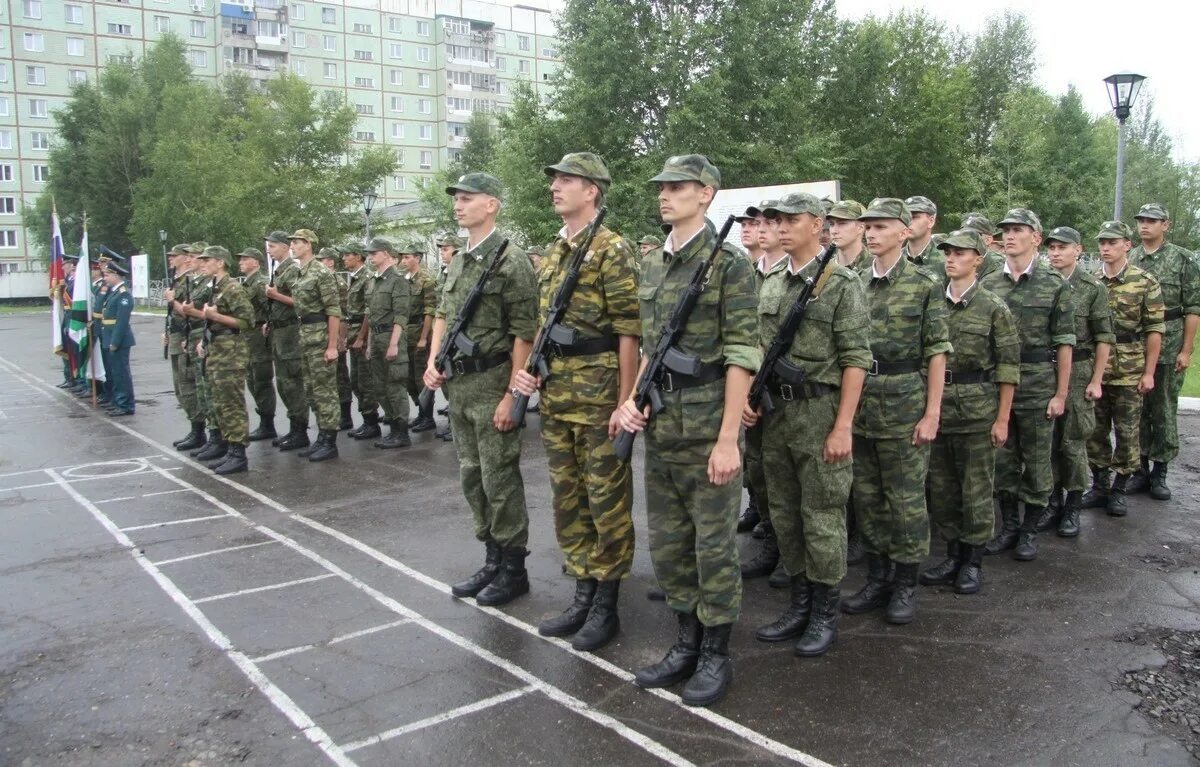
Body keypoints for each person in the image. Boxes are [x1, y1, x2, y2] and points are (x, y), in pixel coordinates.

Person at [617, 154, 761, 707]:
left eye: (677, 187)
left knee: (714, 547)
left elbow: (742, 355)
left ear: (706, 194)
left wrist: (729, 438)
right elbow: (652, 347)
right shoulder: (653, 264)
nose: (665, 195)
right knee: (670, 546)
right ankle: (685, 641)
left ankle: (715, 653)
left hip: (707, 430)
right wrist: (633, 401)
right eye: (662, 187)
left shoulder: (730, 264)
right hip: (662, 427)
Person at [510, 153, 640, 650]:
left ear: (592, 190)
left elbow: (629, 330)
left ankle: (606, 602)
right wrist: (530, 372)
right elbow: (545, 322)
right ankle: (583, 590)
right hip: (558, 394)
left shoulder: (611, 248)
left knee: (606, 500)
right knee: (569, 498)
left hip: (600, 392)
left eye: (566, 181)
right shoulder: (558, 250)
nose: (555, 188)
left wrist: (625, 399)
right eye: (555, 180)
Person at [746, 192, 869, 655]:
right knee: (784, 512)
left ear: (817, 225)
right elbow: (757, 347)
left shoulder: (842, 283)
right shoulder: (773, 279)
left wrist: (843, 426)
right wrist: (750, 398)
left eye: (790, 219)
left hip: (820, 412)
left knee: (822, 516)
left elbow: (856, 359)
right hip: (775, 414)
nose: (779, 226)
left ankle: (823, 612)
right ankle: (799, 604)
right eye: (775, 219)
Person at [424, 173, 536, 607]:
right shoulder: (457, 261)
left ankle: (514, 567)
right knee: (472, 475)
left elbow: (525, 332)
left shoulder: (511, 260)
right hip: (459, 385)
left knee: (499, 477)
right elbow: (440, 312)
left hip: (492, 383)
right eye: (457, 199)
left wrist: (514, 395)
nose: (458, 205)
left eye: (467, 198)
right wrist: (434, 360)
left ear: (492, 205)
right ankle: (491, 557)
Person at [842, 198, 948, 625]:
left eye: (881, 226)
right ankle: (877, 577)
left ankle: (906, 582)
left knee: (905, 501)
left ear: (905, 232)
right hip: (863, 403)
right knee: (867, 499)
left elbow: (938, 352)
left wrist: (932, 413)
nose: (871, 233)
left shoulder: (924, 284)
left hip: (905, 402)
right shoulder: (853, 283)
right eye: (867, 226)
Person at [921, 229, 1019, 595]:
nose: (951, 258)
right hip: (938, 409)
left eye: (961, 253)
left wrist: (1003, 418)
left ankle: (973, 561)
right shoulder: (933, 303)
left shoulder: (994, 307)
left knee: (976, 491)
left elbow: (1009, 367)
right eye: (947, 252)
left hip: (977, 411)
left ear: (978, 258)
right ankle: (951, 555)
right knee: (942, 489)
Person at [981, 209, 1074, 562]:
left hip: (1037, 384)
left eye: (1017, 230)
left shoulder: (1054, 283)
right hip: (998, 386)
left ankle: (1030, 529)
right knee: (1002, 460)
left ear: (1036, 237)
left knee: (1037, 461)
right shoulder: (990, 283)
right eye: (1005, 230)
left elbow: (1065, 342)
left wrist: (1061, 393)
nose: (1009, 236)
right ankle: (1008, 527)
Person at [1084, 221, 1165, 517]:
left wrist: (1148, 372)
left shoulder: (1144, 281)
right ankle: (1100, 485)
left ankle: (1119, 488)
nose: (1105, 248)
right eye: (1102, 242)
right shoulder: (1091, 282)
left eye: (1112, 242)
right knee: (1095, 431)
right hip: (1097, 371)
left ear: (1126, 245)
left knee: (1128, 433)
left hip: (1130, 368)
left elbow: (1155, 329)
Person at [1043, 227, 1113, 536]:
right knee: (1048, 443)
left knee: (1073, 441)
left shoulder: (1091, 287)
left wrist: (1097, 379)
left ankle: (1072, 506)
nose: (1055, 253)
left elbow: (1103, 338)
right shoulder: (1042, 284)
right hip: (1047, 370)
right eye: (1052, 247)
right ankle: (1052, 502)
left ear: (1078, 250)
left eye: (1063, 247)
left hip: (1080, 370)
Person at [1127, 203, 1200, 500]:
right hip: (1134, 345)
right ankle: (1140, 469)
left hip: (1169, 343)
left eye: (1152, 221)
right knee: (1136, 409)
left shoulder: (1182, 259)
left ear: (1165, 225)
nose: (1145, 225)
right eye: (1141, 220)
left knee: (1164, 408)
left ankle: (1161, 472)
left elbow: (1193, 308)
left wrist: (1187, 349)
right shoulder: (1130, 257)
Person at [739, 199, 788, 580]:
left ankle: (790, 552)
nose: (760, 228)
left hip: (787, 395)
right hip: (752, 392)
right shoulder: (749, 275)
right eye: (757, 223)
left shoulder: (798, 276)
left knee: (789, 478)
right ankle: (771, 540)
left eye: (769, 222)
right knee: (759, 471)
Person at [195, 246, 255, 475]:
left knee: (232, 402)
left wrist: (215, 316)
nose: (203, 264)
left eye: (207, 260)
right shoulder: (216, 288)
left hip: (231, 351)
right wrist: (205, 339)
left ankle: (239, 453)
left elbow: (248, 320)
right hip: (218, 349)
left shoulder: (232, 288)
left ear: (220, 262)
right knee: (220, 401)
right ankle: (229, 448)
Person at [288, 229, 343, 462]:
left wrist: (332, 345)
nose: (292, 246)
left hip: (320, 336)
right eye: (291, 243)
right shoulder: (301, 272)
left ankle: (330, 441)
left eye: (296, 242)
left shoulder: (321, 272)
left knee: (325, 390)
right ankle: (321, 436)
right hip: (305, 336)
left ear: (308, 244)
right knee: (311, 390)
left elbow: (333, 310)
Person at [362, 237, 412, 449]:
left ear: (387, 253)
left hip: (392, 336)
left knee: (395, 386)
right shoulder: (374, 281)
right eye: (370, 254)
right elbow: (372, 317)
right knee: (380, 387)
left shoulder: (397, 280)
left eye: (374, 253)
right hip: (378, 337)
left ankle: (401, 432)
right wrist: (370, 344)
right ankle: (392, 428)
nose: (371, 257)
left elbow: (401, 315)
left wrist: (393, 343)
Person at [263, 230, 311, 451]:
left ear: (283, 247)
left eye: (273, 246)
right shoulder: (279, 269)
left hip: (291, 334)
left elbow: (300, 302)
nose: (269, 250)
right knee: (283, 383)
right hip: (279, 334)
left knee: (293, 383)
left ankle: (300, 431)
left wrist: (276, 296)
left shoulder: (292, 270)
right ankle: (293, 428)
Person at [182, 242, 224, 459]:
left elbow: (211, 314)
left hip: (208, 336)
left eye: (199, 257)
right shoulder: (199, 281)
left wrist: (188, 310)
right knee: (202, 389)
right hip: (198, 335)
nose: (192, 260)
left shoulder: (214, 284)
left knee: (211, 389)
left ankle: (218, 437)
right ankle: (210, 433)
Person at [164, 245, 205, 450]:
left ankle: (199, 430)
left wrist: (172, 302)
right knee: (181, 385)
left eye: (175, 256)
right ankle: (195, 428)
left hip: (188, 334)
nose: (171, 259)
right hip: (179, 334)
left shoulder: (191, 282)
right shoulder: (181, 280)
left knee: (189, 384)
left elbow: (189, 312)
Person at [398, 239, 438, 433]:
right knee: (408, 378)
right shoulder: (404, 279)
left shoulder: (426, 280)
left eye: (407, 257)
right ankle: (421, 412)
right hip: (406, 332)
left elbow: (430, 311)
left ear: (417, 258)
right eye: (402, 257)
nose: (403, 261)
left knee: (420, 377)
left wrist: (424, 337)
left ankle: (427, 416)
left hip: (419, 329)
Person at [344, 242, 382, 440]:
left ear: (358, 257)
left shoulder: (367, 277)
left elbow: (369, 311)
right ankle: (367, 417)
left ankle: (371, 421)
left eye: (348, 255)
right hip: (352, 332)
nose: (344, 258)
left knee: (366, 381)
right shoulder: (354, 278)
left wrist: (361, 337)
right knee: (356, 382)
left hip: (362, 333)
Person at [238, 247, 277, 442]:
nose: (241, 262)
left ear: (256, 262)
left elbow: (269, 309)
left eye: (245, 259)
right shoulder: (247, 283)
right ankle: (264, 419)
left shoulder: (260, 283)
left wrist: (268, 326)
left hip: (259, 336)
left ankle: (267, 423)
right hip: (248, 337)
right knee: (251, 379)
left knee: (261, 379)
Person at [318, 247, 355, 431]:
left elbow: (342, 314)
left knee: (340, 375)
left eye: (323, 260)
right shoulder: (321, 280)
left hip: (335, 332)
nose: (321, 263)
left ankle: (346, 415)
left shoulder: (337, 283)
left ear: (331, 262)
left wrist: (341, 338)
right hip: (322, 332)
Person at [100, 261, 135, 416]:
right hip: (110, 336)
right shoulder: (114, 292)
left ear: (116, 275)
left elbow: (121, 321)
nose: (105, 278)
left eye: (107, 275)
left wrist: (114, 341)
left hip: (118, 339)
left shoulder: (123, 294)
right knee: (114, 372)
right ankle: (117, 401)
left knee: (121, 373)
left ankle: (125, 404)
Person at [903, 195, 943, 278]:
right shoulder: (894, 259)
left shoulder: (946, 262)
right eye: (905, 217)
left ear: (931, 221)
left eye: (914, 217)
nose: (908, 222)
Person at [829, 200, 870, 272]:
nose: (834, 231)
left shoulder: (875, 267)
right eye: (831, 224)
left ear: (861, 228)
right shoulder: (824, 269)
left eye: (842, 224)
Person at [961, 213, 1005, 280]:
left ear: (988, 240)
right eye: (963, 234)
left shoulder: (998, 265)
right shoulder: (957, 261)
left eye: (973, 235)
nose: (966, 239)